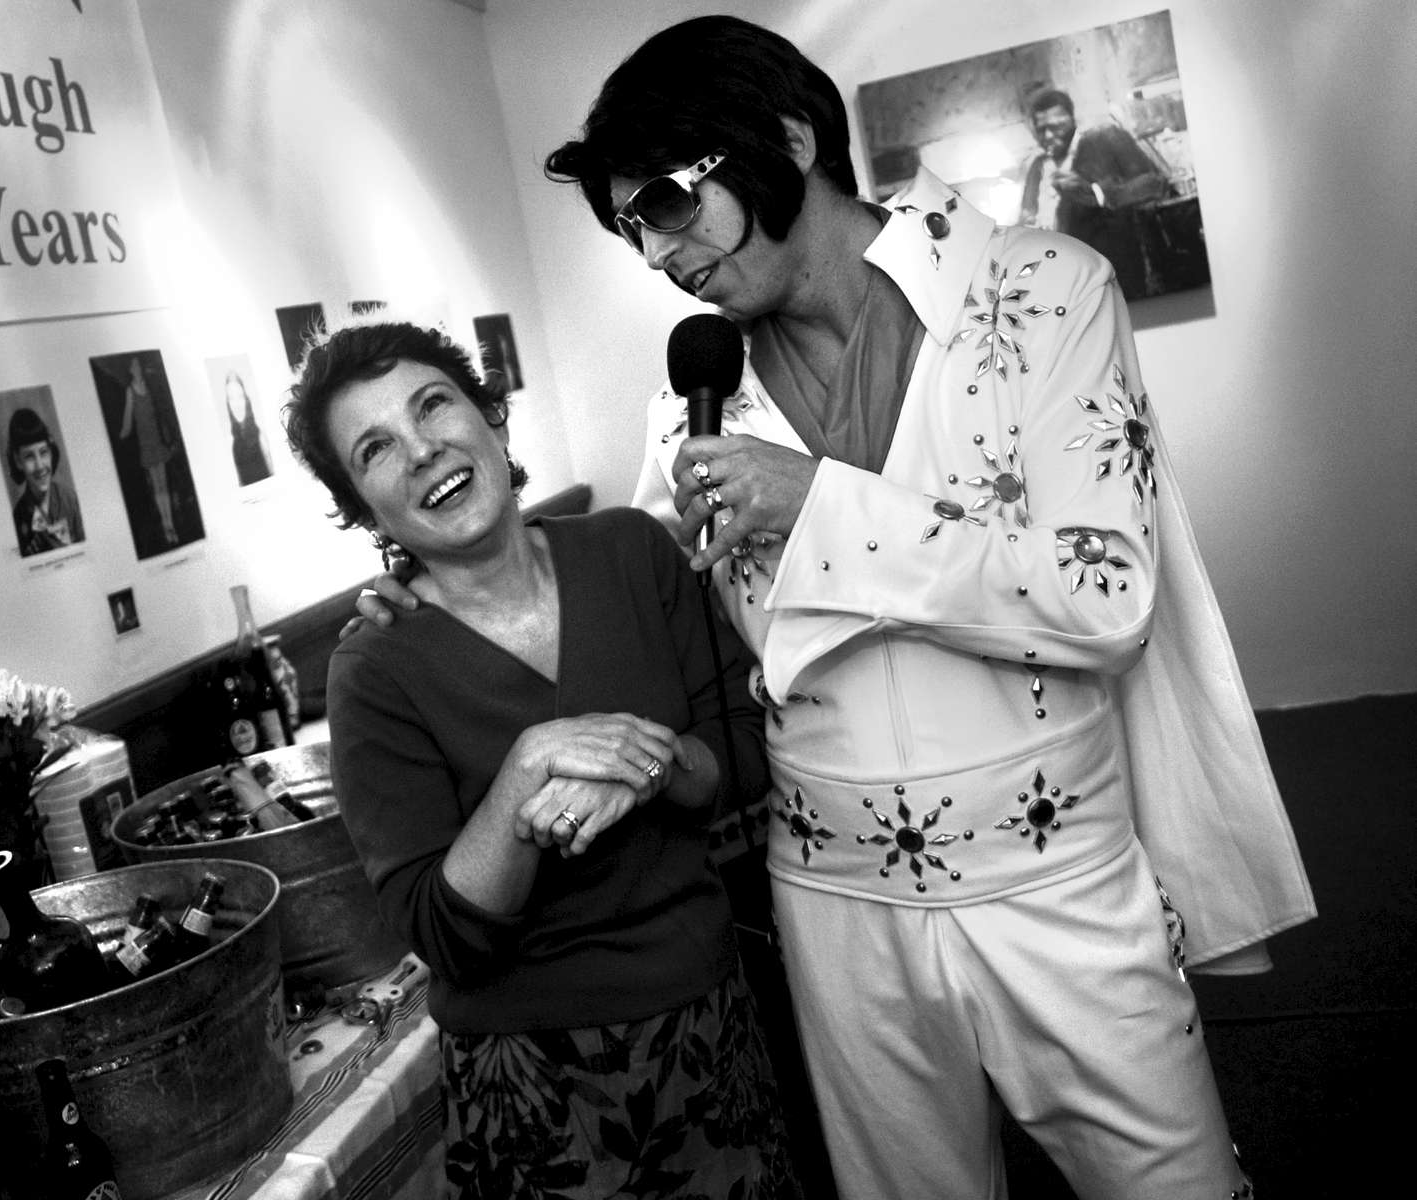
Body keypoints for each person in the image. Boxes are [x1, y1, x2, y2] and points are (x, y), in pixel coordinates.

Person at [355, 15, 1314, 1198]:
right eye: (630, 230)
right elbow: (646, 611)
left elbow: (1102, 593)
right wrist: (428, 598)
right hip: (832, 900)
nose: (654, 254)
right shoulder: (695, 413)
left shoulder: (1042, 289)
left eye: (664, 202)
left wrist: (822, 502)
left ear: (791, 137)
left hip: (1052, 875)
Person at [287, 319, 795, 1199]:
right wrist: (527, 775)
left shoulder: (633, 553)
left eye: (434, 405)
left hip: (713, 1030)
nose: (421, 450)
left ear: (492, 419)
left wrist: (650, 765)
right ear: (363, 508)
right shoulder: (376, 670)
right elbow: (443, 936)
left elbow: (745, 752)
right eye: (376, 449)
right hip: (531, 1084)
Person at [1018, 88, 1171, 298]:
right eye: (1041, 130)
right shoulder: (1037, 166)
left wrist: (1096, 193)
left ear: (1072, 119)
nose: (1048, 136)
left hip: (1111, 276)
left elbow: (1155, 184)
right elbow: (1026, 217)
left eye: (1056, 127)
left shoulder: (1106, 139)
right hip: (1059, 284)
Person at [5, 407, 85, 556]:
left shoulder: (69, 498)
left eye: (43, 452)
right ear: (18, 461)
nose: (40, 465)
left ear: (51, 451)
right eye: (29, 456)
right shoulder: (18, 516)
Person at [119, 355, 180, 546]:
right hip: (145, 443)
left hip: (157, 439)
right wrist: (122, 432)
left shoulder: (150, 386)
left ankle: (171, 525)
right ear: (130, 370)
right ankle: (165, 524)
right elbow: (128, 418)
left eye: (138, 364)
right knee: (156, 485)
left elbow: (161, 411)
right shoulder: (130, 391)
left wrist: (169, 437)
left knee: (164, 485)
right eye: (133, 365)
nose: (137, 368)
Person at [223, 370, 273, 486]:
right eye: (231, 398)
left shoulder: (261, 435)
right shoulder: (229, 443)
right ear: (228, 404)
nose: (237, 404)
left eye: (240, 397)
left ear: (246, 400)